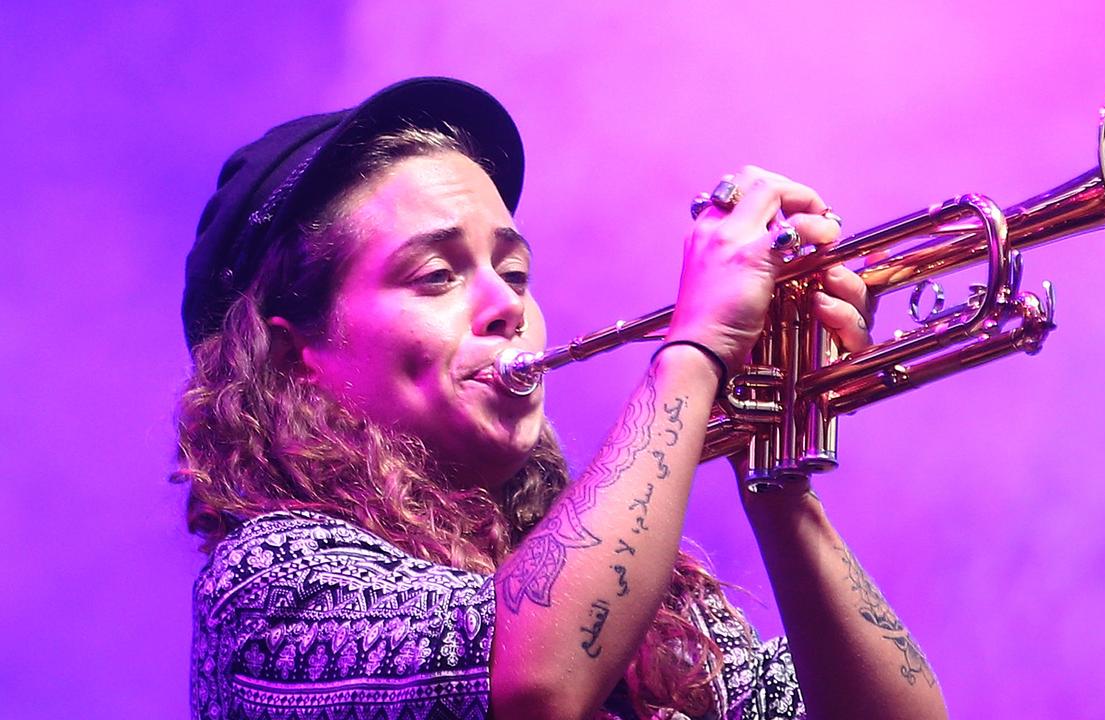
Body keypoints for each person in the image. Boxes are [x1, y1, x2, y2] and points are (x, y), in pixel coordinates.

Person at [175, 77, 948, 720]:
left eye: (514, 273)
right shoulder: (269, 584)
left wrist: (775, 477)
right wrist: (697, 350)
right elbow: (535, 681)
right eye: (437, 275)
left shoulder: (655, 606)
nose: (506, 305)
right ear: (292, 356)